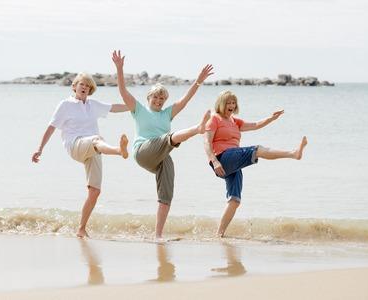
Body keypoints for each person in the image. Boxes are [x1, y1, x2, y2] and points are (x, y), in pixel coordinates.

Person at [112, 50, 213, 240]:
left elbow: (186, 99)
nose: (158, 101)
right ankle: (197, 129)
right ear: (149, 98)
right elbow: (123, 92)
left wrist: (199, 80)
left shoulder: (167, 114)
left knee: (166, 194)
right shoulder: (138, 110)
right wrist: (119, 68)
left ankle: (157, 235)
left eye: (161, 98)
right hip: (143, 151)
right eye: (155, 97)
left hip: (160, 157)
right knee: (170, 137)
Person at [31, 72, 129, 238]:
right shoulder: (65, 105)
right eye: (81, 84)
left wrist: (137, 107)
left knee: (95, 191)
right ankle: (119, 151)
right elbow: (51, 127)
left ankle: (81, 229)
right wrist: (40, 148)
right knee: (97, 139)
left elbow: (115, 108)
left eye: (88, 86)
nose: (84, 87)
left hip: (96, 149)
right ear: (74, 86)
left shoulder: (93, 104)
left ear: (91, 89)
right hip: (76, 144)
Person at [203, 90, 308, 237]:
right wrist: (214, 161)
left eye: (233, 102)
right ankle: (293, 153)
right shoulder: (214, 119)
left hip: (233, 161)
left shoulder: (235, 122)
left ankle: (219, 234)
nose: (231, 105)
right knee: (257, 150)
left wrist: (271, 118)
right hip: (222, 158)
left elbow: (256, 125)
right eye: (228, 102)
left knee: (235, 200)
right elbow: (206, 143)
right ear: (221, 104)